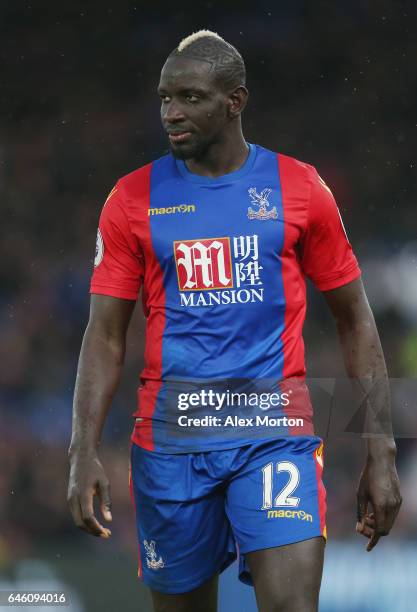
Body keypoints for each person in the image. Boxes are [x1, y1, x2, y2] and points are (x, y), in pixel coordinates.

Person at [67, 30, 402, 612]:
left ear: (235, 101)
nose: (171, 113)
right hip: (172, 445)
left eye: (191, 98)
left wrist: (381, 451)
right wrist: (82, 450)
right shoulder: (130, 199)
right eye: (164, 98)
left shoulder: (300, 188)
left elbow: (355, 320)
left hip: (275, 436)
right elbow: (104, 335)